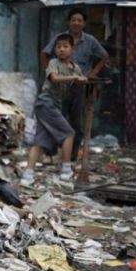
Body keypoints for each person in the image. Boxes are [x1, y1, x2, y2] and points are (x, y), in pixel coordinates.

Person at [40, 7, 108, 160]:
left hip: (78, 89)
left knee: (77, 124)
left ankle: (70, 158)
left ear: (84, 23)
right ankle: (52, 154)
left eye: (79, 21)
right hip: (58, 89)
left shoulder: (90, 41)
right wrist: (49, 72)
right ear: (68, 22)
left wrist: (93, 73)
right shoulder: (60, 38)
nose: (76, 23)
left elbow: (104, 57)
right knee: (57, 121)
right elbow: (44, 53)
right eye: (73, 20)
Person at [21, 34, 87, 186]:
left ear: (72, 48)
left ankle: (28, 175)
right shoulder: (53, 63)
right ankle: (65, 170)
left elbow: (76, 87)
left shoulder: (75, 68)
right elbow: (55, 79)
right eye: (58, 47)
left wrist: (81, 82)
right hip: (46, 103)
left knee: (40, 141)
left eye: (65, 46)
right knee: (69, 134)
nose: (61, 50)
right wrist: (74, 78)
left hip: (53, 106)